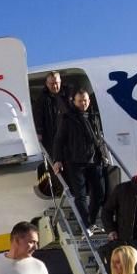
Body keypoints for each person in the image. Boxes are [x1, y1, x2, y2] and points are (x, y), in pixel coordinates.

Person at [52, 90, 108, 233]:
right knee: (80, 195)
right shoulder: (68, 118)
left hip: (94, 160)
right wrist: (57, 160)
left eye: (86, 100)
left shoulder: (93, 116)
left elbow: (97, 139)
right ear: (74, 102)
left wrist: (102, 154)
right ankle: (86, 225)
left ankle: (92, 220)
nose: (84, 103)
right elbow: (59, 140)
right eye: (80, 101)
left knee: (100, 192)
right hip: (76, 161)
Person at [33, 71, 70, 160]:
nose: (54, 86)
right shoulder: (42, 99)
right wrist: (39, 133)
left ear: (60, 82)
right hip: (52, 136)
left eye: (56, 83)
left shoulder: (68, 95)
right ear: (47, 84)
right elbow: (38, 117)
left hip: (69, 136)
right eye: (51, 84)